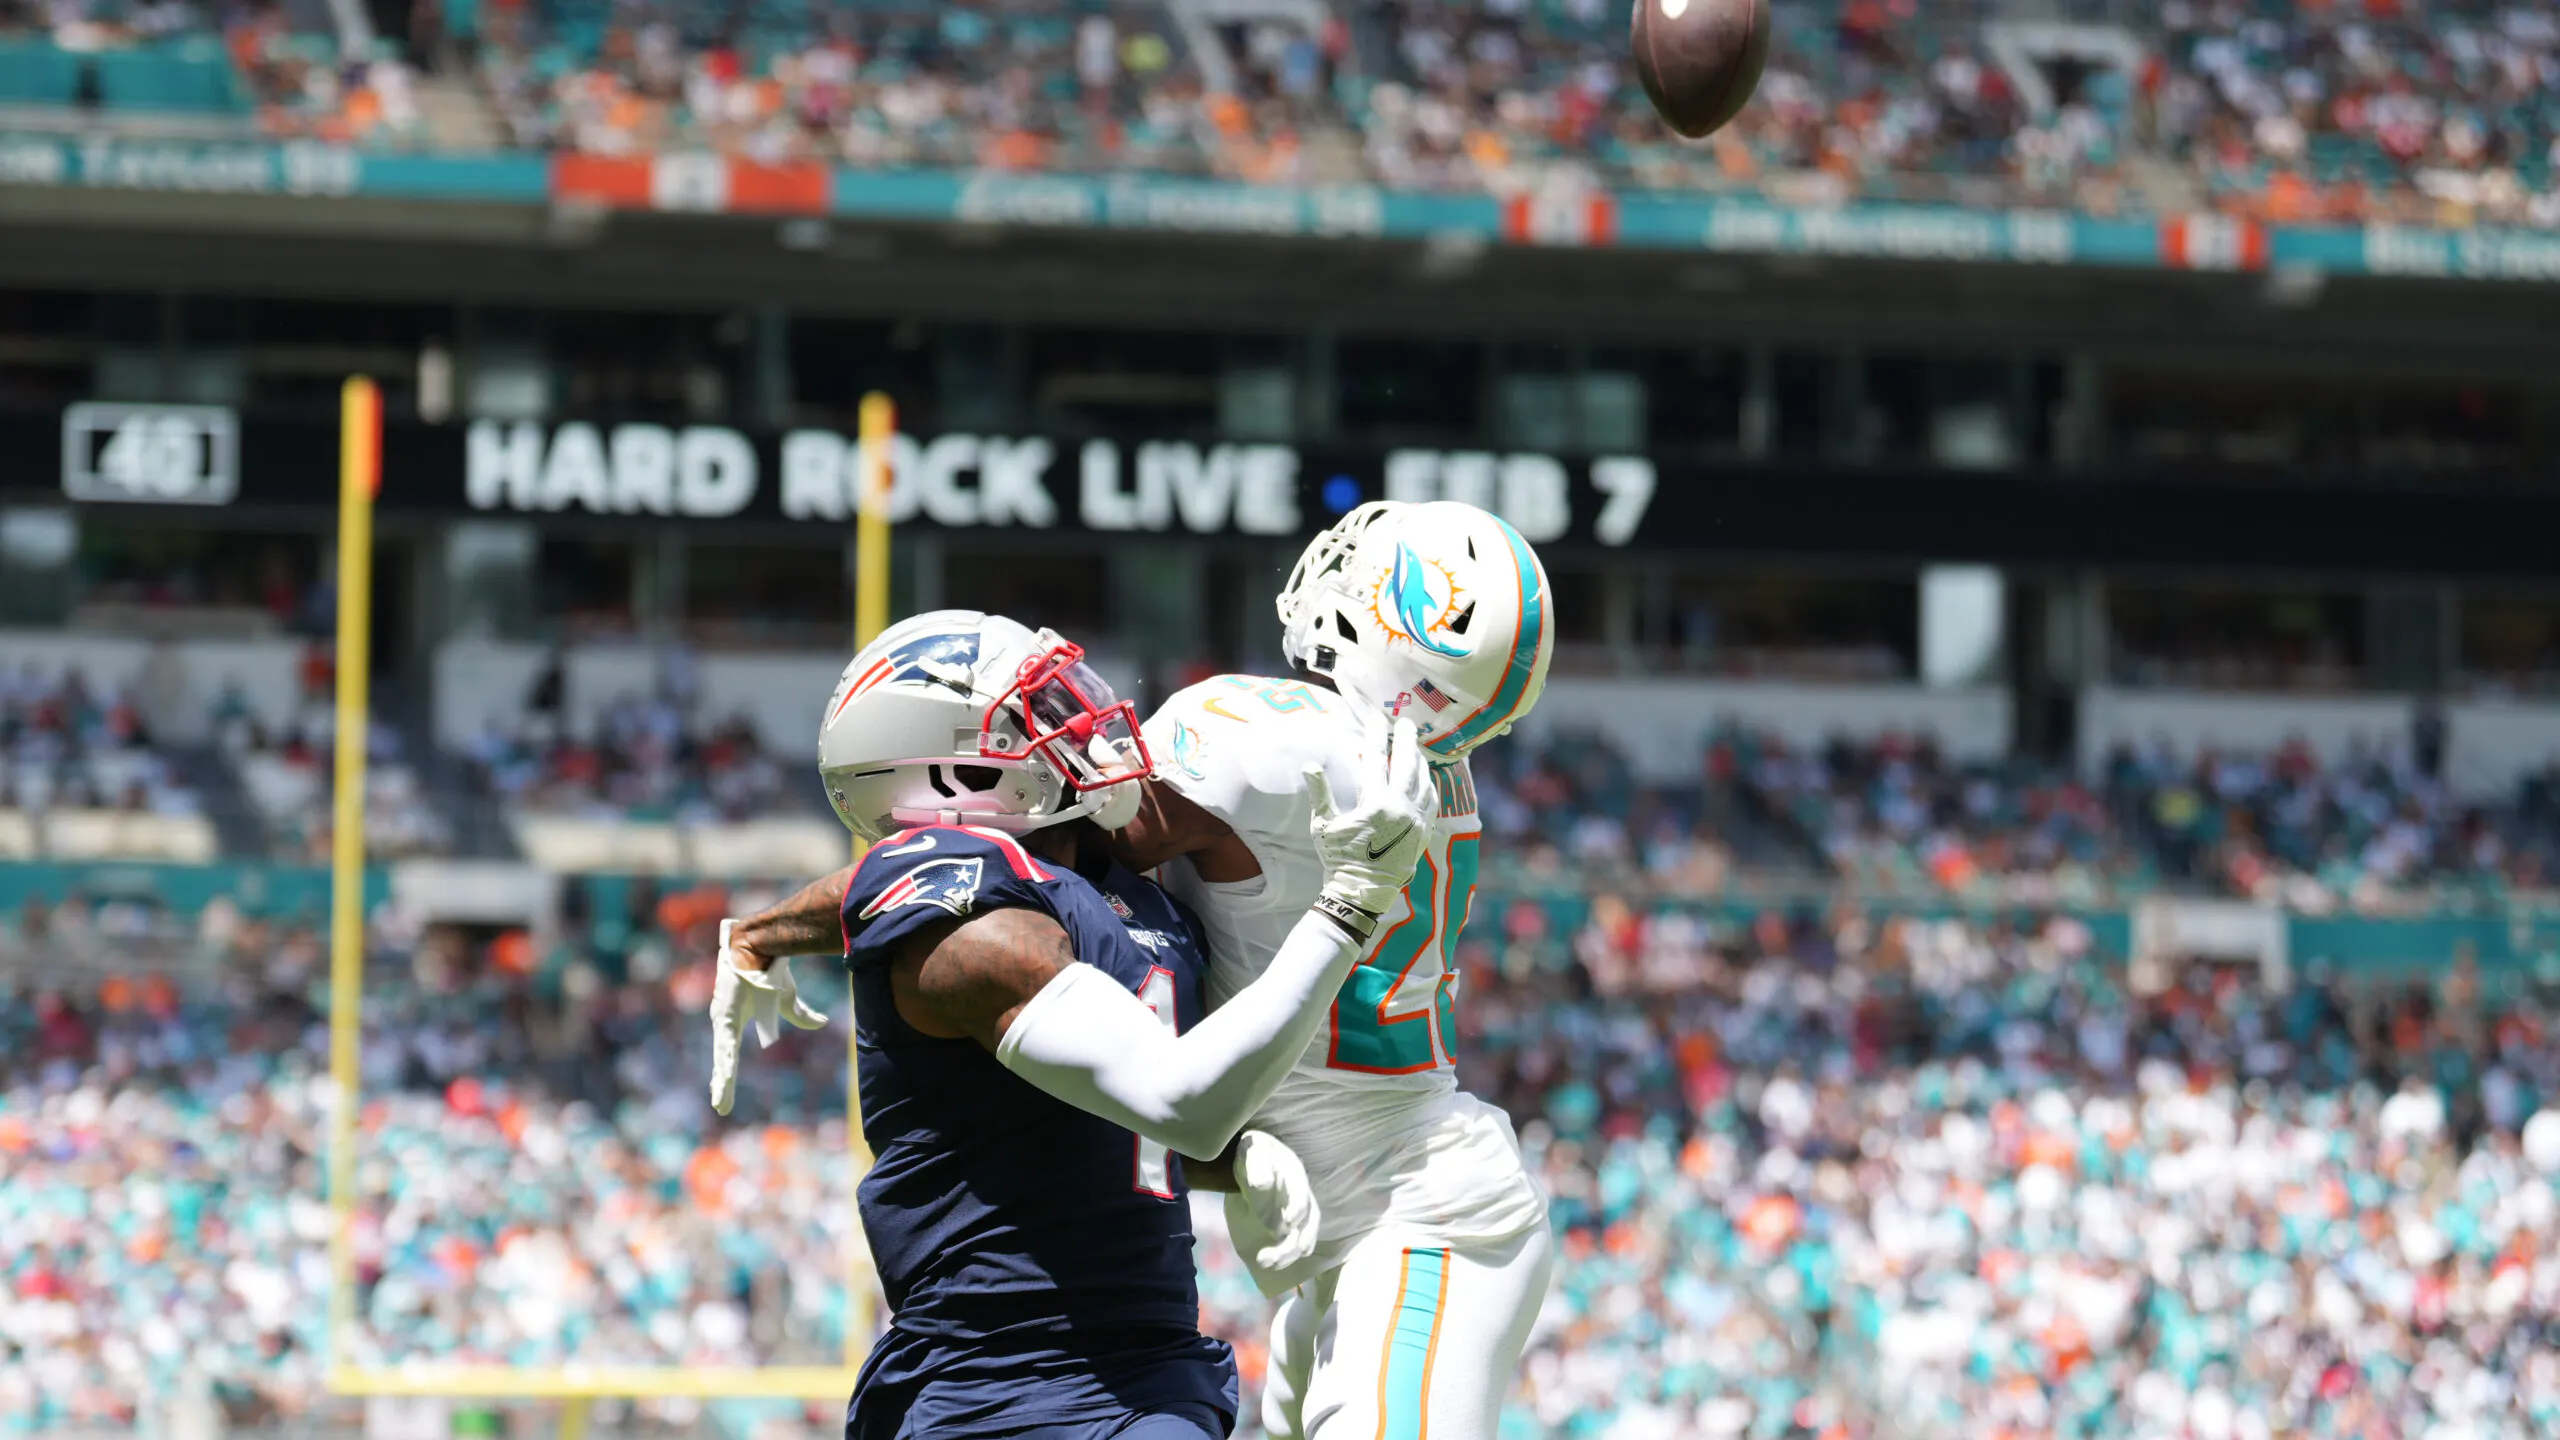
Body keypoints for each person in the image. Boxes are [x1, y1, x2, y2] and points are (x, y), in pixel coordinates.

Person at [704, 609, 1438, 1440]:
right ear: (954, 773)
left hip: (1151, 1364)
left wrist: (761, 933)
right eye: (1039, 714)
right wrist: (1348, 904)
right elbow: (1178, 1102)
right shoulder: (970, 934)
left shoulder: (1102, 873)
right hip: (1001, 1385)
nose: (1083, 721)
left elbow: (1090, 1116)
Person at [1105, 500, 1558, 1440]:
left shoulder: (1270, 738)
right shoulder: (1412, 757)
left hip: (1415, 1222)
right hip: (1376, 1218)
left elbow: (1059, 852)